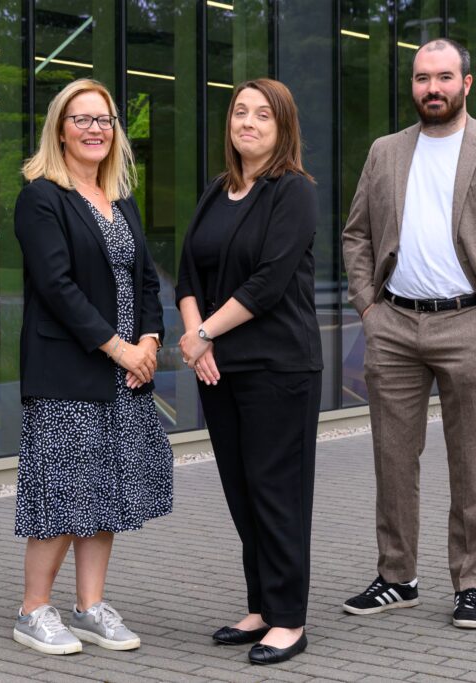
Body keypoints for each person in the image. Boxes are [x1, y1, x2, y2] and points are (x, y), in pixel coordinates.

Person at [340, 38, 476, 629]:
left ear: (467, 83)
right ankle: (397, 576)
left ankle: (470, 583)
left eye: (443, 77)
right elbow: (356, 234)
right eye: (421, 78)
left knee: (470, 461)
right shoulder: (385, 152)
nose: (431, 88)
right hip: (393, 324)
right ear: (412, 85)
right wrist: (367, 307)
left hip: (468, 322)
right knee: (392, 458)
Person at [11, 78, 172, 655]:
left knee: (105, 490)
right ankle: (33, 610)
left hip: (126, 373)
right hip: (69, 371)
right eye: (82, 119)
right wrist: (119, 347)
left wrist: (148, 339)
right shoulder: (41, 196)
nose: (95, 129)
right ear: (60, 128)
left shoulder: (121, 198)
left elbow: (146, 279)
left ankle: (89, 607)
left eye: (104, 120)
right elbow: (56, 287)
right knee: (63, 492)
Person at [176, 78, 321, 666]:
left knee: (276, 492)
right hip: (220, 368)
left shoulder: (294, 192)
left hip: (278, 367)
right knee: (241, 490)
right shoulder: (218, 190)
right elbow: (188, 273)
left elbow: (267, 283)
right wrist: (195, 339)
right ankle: (261, 605)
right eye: (241, 112)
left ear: (282, 127)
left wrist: (203, 333)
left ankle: (289, 619)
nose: (249, 123)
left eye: (264, 115)